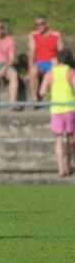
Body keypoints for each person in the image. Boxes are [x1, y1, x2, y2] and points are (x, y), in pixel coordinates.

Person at [39, 49, 75, 177]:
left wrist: (50, 95)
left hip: (56, 109)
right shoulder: (71, 72)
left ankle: (60, 168)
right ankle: (68, 165)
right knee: (70, 139)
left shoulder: (50, 73)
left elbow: (42, 92)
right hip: (70, 107)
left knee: (58, 139)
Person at [28, 14, 63, 106]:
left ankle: (54, 97)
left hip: (52, 62)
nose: (39, 26)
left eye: (41, 24)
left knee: (55, 62)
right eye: (37, 24)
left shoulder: (56, 35)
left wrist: (60, 64)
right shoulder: (33, 35)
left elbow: (61, 53)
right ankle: (34, 99)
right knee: (33, 71)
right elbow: (31, 53)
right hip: (39, 63)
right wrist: (30, 67)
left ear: (47, 24)